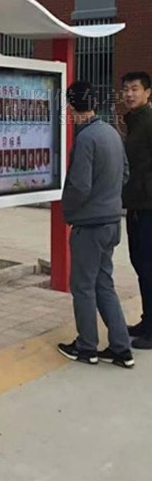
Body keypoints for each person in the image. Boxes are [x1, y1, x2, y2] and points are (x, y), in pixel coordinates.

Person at [58, 81, 133, 368]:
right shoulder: (111, 132)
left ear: (71, 107)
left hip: (89, 225)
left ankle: (86, 347)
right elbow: (125, 173)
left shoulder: (86, 138)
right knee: (104, 284)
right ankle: (121, 349)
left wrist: (68, 210)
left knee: (83, 287)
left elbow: (79, 186)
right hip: (111, 222)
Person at [120, 71, 152, 348]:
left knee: (148, 265)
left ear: (147, 93)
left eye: (135, 89)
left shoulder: (149, 123)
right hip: (136, 206)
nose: (129, 94)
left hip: (148, 207)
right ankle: (147, 320)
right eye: (126, 89)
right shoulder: (134, 122)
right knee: (140, 264)